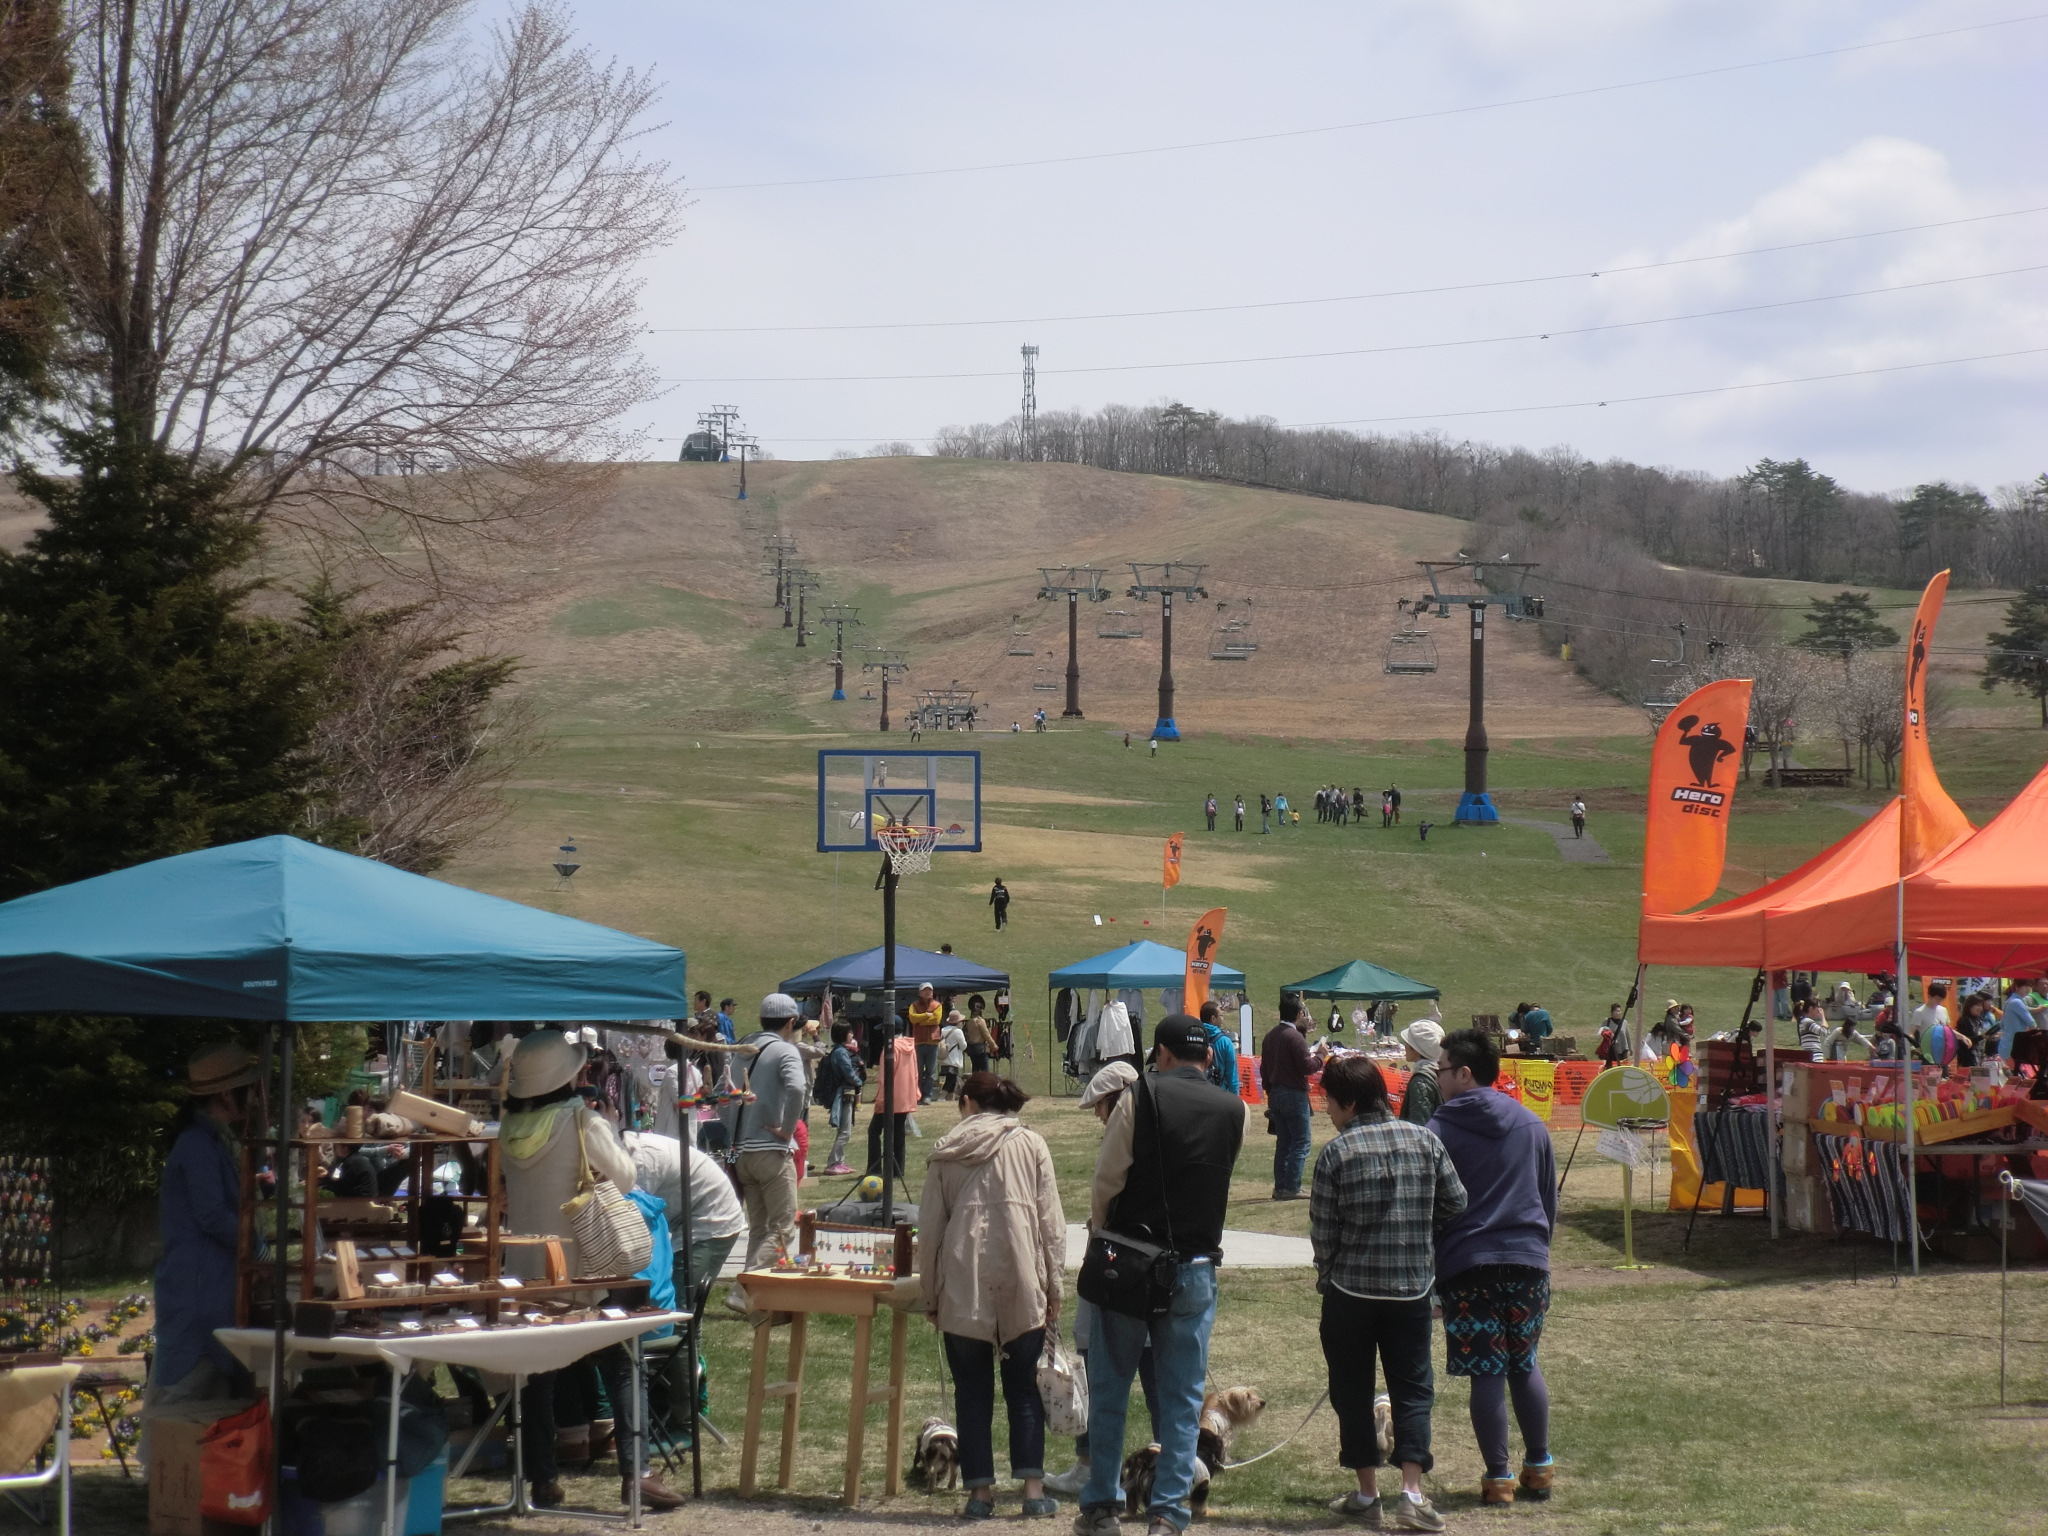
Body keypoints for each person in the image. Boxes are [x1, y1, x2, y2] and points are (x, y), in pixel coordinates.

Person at [1076, 1020, 1246, 1536]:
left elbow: (1108, 1178)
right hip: (1195, 1264)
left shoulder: (1140, 1095)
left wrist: (1101, 1233)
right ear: (1208, 1058)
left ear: (1163, 1054)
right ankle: (1168, 1513)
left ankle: (1103, 1505)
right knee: (1182, 1399)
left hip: (1130, 1260)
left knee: (1110, 1388)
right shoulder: (1234, 1108)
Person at [500, 1030, 680, 1511]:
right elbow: (626, 1176)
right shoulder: (581, 1120)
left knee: (537, 1375)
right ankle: (637, 1473)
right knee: (623, 1363)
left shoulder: (508, 1127)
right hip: (585, 1268)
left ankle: (542, 1477)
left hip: (527, 1269)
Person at [1313, 1056, 1466, 1531]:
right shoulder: (1425, 1140)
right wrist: (1421, 1227)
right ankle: (1412, 1493)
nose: (1328, 1111)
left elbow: (1323, 1232)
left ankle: (1367, 1493)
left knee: (1351, 1390)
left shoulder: (1336, 1153)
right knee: (1413, 1388)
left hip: (1350, 1291)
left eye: (1330, 1103)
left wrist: (1328, 1276)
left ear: (1349, 1103)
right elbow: (1456, 1201)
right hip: (1411, 1289)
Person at [918, 1074, 1066, 1519]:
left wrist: (930, 1294)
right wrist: (1054, 1286)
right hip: (1022, 1279)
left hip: (962, 1283)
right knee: (1024, 1389)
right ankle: (1033, 1491)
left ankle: (979, 1494)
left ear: (967, 1102)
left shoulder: (946, 1152)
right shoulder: (1031, 1144)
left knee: (971, 1392)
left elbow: (930, 1232)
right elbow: (1052, 1225)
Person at [1427, 1029, 1557, 1508]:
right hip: (1527, 1262)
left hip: (1468, 1267)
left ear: (1464, 1073)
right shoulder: (1531, 1124)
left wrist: (1432, 1271)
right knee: (1524, 1364)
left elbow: (1430, 1208)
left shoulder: (1436, 1132)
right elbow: (1548, 1198)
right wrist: (1539, 1250)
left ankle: (1499, 1478)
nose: (1437, 1079)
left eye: (1441, 1070)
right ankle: (1539, 1468)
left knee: (1487, 1371)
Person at [1045, 1063, 1160, 1500]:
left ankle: (1093, 1468)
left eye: (1101, 1106)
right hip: (1145, 1271)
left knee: (1098, 1369)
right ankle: (1169, 1467)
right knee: (1153, 1375)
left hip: (1117, 1268)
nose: (1098, 1115)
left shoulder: (1128, 1138)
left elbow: (1105, 1195)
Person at [150, 1044, 261, 1432]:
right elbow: (212, 1215)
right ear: (226, 1094)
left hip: (210, 1286)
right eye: (248, 1089)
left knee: (214, 1403)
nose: (255, 1097)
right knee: (184, 1404)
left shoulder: (210, 1140)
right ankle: (166, 1463)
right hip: (198, 1292)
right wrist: (255, 1248)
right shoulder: (197, 1144)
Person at [731, 994, 808, 1287]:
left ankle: (752, 1296)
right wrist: (788, 1129)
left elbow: (723, 1093)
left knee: (760, 1229)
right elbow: (797, 1088)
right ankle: (745, 1289)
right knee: (783, 1228)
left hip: (742, 1151)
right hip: (771, 1151)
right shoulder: (785, 1050)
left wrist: (734, 1132)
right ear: (790, 1022)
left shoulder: (742, 1049)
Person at [624, 1126, 746, 1299]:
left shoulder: (642, 1157)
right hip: (686, 1215)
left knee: (680, 1300)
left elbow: (635, 1219)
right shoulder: (626, 1149)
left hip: (712, 1219)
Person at [1261, 997, 1315, 1201]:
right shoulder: (1295, 1037)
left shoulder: (1270, 1036)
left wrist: (1269, 1092)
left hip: (1275, 1093)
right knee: (1301, 1141)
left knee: (1284, 1142)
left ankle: (1281, 1186)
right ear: (1299, 1014)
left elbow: (1264, 1069)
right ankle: (1292, 1186)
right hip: (1294, 1093)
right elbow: (1307, 1066)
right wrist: (1320, 1056)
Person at [867, 1029, 921, 1177]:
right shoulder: (910, 1047)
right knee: (898, 1133)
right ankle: (897, 1169)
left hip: (890, 1098)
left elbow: (885, 1077)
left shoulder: (890, 1048)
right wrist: (915, 1093)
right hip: (905, 1097)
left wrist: (880, 1099)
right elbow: (915, 1073)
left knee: (874, 1131)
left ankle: (875, 1168)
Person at [818, 1021, 866, 1174]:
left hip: (846, 1093)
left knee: (844, 1129)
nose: (852, 1035)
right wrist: (859, 1082)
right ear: (843, 1034)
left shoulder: (839, 1051)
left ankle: (840, 1161)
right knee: (845, 1130)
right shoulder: (841, 1053)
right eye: (849, 1032)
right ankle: (833, 1163)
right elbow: (848, 1073)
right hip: (843, 1094)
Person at [1397, 1020, 1444, 1126]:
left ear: (1416, 1049)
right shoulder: (1442, 1069)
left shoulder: (1421, 1081)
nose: (1405, 1046)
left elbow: (1419, 1125)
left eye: (1407, 1043)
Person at [910, 983, 945, 1102]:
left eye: (930, 990)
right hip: (919, 1041)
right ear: (920, 992)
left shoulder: (937, 1005)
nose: (927, 992)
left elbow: (936, 1020)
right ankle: (918, 1094)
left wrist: (921, 1020)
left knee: (931, 1071)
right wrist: (926, 1015)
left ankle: (927, 1095)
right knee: (918, 1070)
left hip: (933, 1042)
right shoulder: (914, 1005)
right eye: (925, 990)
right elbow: (912, 1018)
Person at [1196, 999, 1240, 1094]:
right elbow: (1232, 1075)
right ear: (1213, 1018)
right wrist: (1235, 1097)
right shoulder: (1225, 1042)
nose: (1222, 1019)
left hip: (1197, 1092)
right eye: (1221, 1016)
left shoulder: (1194, 1037)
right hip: (1219, 1093)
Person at [2000, 980, 2042, 1059]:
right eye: (2026, 986)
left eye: (2030, 986)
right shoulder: (2017, 1002)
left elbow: (2002, 1024)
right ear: (2017, 987)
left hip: (2006, 1044)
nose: (2028, 989)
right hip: (2014, 1046)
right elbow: (2032, 1023)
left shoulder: (2010, 1001)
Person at [940, 1011, 969, 1098]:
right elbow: (963, 1046)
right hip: (954, 1058)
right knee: (951, 1079)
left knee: (952, 1079)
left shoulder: (943, 1030)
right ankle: (942, 1097)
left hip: (944, 1057)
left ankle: (950, 1097)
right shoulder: (958, 1031)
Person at [964, 1001, 997, 1078]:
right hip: (981, 1049)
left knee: (975, 1072)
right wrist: (993, 1045)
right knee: (985, 1073)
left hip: (972, 1049)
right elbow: (986, 1035)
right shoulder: (980, 1021)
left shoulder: (969, 1022)